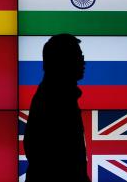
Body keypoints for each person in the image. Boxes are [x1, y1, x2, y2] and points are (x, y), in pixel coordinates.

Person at [23, 34, 91, 182]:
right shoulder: (56, 99)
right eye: (78, 56)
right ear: (64, 61)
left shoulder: (54, 95)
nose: (83, 62)